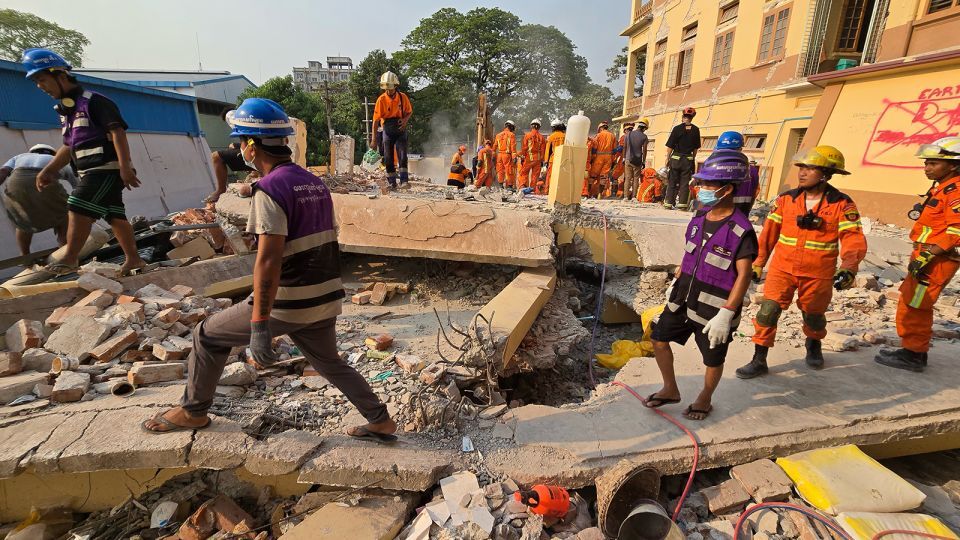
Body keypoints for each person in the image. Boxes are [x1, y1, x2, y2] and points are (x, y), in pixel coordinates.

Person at [142, 98, 397, 442]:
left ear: (251, 145)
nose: (237, 149)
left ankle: (193, 411)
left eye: (239, 143)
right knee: (329, 362)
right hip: (324, 295)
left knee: (207, 335)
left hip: (290, 302)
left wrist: (260, 324)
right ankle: (379, 419)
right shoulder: (313, 183)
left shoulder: (271, 191)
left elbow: (268, 260)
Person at [736, 146, 867, 379]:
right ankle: (759, 359)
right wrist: (759, 262)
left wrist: (849, 268)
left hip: (818, 273)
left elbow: (853, 238)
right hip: (782, 269)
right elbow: (769, 233)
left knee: (814, 314)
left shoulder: (841, 204)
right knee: (767, 312)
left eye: (811, 168)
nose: (802, 173)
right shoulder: (786, 200)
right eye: (802, 167)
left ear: (826, 173)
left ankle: (813, 345)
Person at [646, 151, 757, 420]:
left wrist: (727, 313)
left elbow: (744, 275)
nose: (701, 189)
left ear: (727, 189)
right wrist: (675, 281)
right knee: (658, 338)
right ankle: (670, 389)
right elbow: (688, 255)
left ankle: (705, 398)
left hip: (715, 309)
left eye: (708, 184)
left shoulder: (741, 230)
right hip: (683, 298)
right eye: (702, 183)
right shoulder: (699, 218)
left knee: (712, 358)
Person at [23, 48, 146, 277]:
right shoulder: (66, 112)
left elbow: (117, 132)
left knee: (77, 204)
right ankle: (134, 259)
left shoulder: (95, 102)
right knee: (115, 215)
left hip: (105, 169)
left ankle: (70, 258)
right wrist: (49, 169)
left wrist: (125, 166)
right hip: (89, 170)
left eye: (42, 80)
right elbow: (69, 147)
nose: (41, 87)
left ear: (60, 75)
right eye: (37, 83)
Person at [875, 137, 960, 372]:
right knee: (911, 300)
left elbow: (957, 230)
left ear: (953, 165)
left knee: (918, 304)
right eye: (926, 163)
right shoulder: (942, 187)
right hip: (927, 256)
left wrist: (928, 255)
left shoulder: (955, 191)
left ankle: (914, 355)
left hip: (936, 259)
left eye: (933, 163)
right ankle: (910, 349)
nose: (927, 168)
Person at [0, 144, 74, 256]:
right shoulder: (56, 160)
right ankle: (64, 245)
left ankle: (24, 255)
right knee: (65, 213)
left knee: (22, 221)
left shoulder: (19, 157)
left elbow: (3, 173)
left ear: (32, 152)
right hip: (45, 183)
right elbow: (77, 185)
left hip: (16, 183)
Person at [371, 71, 412, 190]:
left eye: (390, 88)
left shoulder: (403, 98)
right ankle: (391, 182)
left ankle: (404, 181)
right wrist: (373, 140)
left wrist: (404, 120)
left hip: (400, 129)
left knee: (403, 155)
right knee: (388, 157)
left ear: (395, 86)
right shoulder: (381, 100)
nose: (388, 91)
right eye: (386, 89)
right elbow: (375, 121)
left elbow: (409, 112)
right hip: (387, 129)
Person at [664, 107, 701, 209]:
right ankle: (682, 205)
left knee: (672, 181)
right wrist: (692, 158)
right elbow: (695, 148)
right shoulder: (696, 130)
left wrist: (667, 158)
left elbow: (670, 146)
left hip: (675, 159)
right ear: (692, 117)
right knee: (684, 183)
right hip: (687, 160)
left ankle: (668, 203)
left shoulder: (677, 129)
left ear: (682, 116)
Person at [715, 130, 761, 215]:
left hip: (720, 213)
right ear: (740, 148)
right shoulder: (753, 170)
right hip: (743, 213)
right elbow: (755, 192)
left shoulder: (717, 167)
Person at [207, 139, 254, 204]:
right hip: (253, 141)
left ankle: (221, 189)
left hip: (255, 143)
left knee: (216, 156)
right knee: (232, 145)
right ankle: (253, 171)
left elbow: (252, 138)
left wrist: (249, 143)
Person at [623, 118, 650, 200]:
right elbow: (644, 150)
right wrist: (644, 161)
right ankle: (634, 197)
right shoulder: (644, 137)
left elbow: (625, 147)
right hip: (638, 161)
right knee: (636, 178)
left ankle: (625, 197)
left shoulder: (629, 134)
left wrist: (624, 158)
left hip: (628, 159)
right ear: (644, 128)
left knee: (627, 178)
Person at [589, 121, 616, 198]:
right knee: (603, 177)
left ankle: (587, 193)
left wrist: (592, 158)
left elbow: (594, 148)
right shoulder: (612, 136)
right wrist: (613, 160)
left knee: (592, 176)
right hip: (608, 158)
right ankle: (600, 194)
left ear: (601, 128)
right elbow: (614, 150)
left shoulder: (598, 135)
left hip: (599, 157)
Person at [519, 119, 545, 190]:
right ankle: (532, 189)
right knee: (535, 175)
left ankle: (522, 187)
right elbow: (543, 151)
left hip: (528, 158)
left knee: (524, 173)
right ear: (539, 127)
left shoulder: (527, 135)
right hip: (538, 159)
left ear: (531, 126)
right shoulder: (542, 138)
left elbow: (524, 148)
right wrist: (542, 160)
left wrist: (522, 157)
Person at [541, 119, 566, 195]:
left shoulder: (551, 137)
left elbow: (548, 151)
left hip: (553, 159)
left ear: (554, 127)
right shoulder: (565, 136)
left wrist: (546, 161)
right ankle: (560, 192)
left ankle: (548, 192)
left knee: (550, 176)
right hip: (563, 159)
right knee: (561, 176)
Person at [495, 121, 518, 190]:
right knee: (509, 170)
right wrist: (514, 157)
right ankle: (510, 186)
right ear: (511, 127)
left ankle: (500, 185)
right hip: (507, 155)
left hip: (499, 155)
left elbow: (495, 146)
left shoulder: (498, 135)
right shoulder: (511, 135)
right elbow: (513, 147)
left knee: (500, 170)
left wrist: (493, 155)